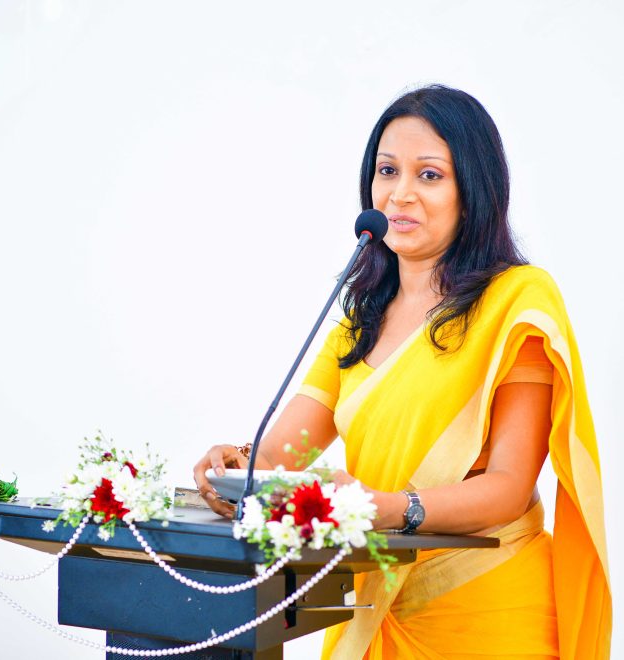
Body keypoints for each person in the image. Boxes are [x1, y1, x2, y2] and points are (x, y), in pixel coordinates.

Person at [192, 85, 611, 659]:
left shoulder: (517, 301)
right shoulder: (359, 321)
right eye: (387, 171)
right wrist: (235, 469)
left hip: (488, 615)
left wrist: (394, 509)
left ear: (474, 191)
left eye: (429, 175)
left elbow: (510, 487)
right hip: (376, 611)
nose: (400, 193)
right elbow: (281, 455)